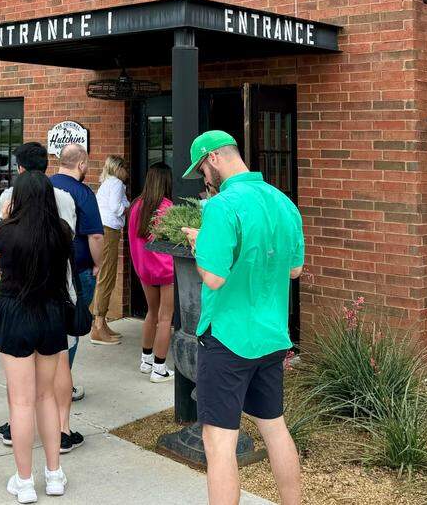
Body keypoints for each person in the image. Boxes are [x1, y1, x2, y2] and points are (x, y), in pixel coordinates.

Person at [180, 132, 304, 505]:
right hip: (271, 336)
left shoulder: (222, 206)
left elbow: (213, 277)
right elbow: (295, 270)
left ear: (214, 157)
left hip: (228, 339)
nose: (203, 178)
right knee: (274, 428)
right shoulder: (283, 202)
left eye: (202, 167)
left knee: (219, 442)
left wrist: (200, 243)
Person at [0, 170, 72, 502]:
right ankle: (54, 475)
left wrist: (5, 223)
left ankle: (24, 482)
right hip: (51, 315)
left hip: (16, 313)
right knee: (46, 396)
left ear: (17, 197)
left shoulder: (6, 232)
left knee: (21, 401)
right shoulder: (62, 232)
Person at [0, 142, 85, 452]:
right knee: (61, 366)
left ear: (19, 168)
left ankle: (14, 425)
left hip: (18, 295)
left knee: (19, 379)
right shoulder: (65, 198)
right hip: (57, 293)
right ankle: (62, 430)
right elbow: (71, 241)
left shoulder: (8, 198)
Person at [49, 145, 102, 394]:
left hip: (45, 268)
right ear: (81, 164)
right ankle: (63, 385)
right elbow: (95, 237)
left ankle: (47, 383)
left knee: (49, 324)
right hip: (78, 269)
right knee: (71, 325)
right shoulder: (83, 193)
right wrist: (99, 264)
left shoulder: (44, 187)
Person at [127, 162, 175, 382]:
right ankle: (160, 369)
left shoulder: (136, 205)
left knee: (151, 313)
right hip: (166, 271)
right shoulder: (166, 207)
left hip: (144, 269)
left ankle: (146, 362)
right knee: (166, 318)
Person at [91, 155, 129, 345]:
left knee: (105, 275)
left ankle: (101, 323)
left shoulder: (107, 182)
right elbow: (116, 208)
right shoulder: (116, 183)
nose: (127, 172)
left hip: (104, 229)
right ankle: (98, 326)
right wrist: (129, 205)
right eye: (125, 168)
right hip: (109, 230)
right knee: (107, 275)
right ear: (118, 168)